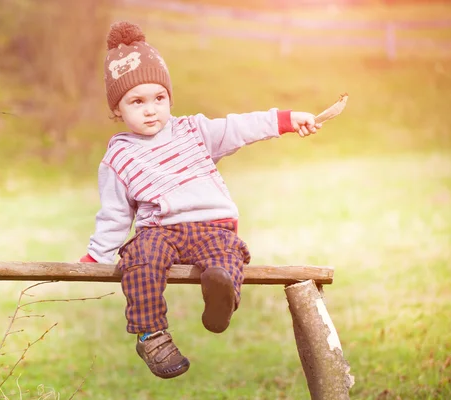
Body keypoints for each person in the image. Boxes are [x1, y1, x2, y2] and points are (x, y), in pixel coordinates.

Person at [79, 21, 322, 379]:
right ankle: (152, 336)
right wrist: (96, 256)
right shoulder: (119, 157)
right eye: (137, 102)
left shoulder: (194, 131)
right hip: (159, 231)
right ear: (117, 110)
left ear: (170, 98)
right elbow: (115, 215)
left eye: (159, 98)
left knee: (229, 254)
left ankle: (220, 294)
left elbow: (240, 127)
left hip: (213, 225)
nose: (151, 110)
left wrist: (284, 120)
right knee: (139, 261)